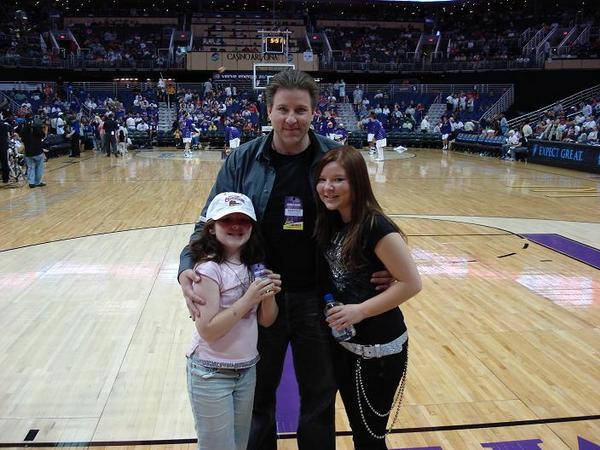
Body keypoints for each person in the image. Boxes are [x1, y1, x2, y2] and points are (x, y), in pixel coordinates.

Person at [179, 69, 395, 450]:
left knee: (319, 397)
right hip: (260, 299)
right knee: (258, 399)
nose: (291, 119)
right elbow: (207, 222)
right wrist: (185, 269)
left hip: (320, 299)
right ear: (268, 110)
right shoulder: (244, 160)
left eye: (300, 110)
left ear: (314, 112)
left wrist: (387, 269)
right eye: (282, 109)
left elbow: (365, 219)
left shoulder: (334, 159)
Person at [314, 146, 422, 449]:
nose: (328, 187)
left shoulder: (376, 226)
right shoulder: (335, 221)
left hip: (379, 352)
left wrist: (359, 311)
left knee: (370, 438)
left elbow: (412, 283)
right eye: (323, 179)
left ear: (358, 182)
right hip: (346, 346)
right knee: (360, 432)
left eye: (338, 180)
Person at [186, 191, 280, 450]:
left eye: (243, 220)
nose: (236, 225)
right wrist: (249, 299)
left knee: (239, 445)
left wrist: (268, 294)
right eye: (227, 220)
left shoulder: (254, 266)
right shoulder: (208, 270)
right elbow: (208, 330)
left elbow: (267, 320)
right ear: (212, 228)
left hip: (247, 370)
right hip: (210, 373)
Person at [19, 114, 48, 188]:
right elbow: (43, 136)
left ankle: (31, 183)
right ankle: (37, 182)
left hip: (28, 152)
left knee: (30, 167)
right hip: (38, 151)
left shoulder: (24, 129)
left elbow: (21, 137)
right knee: (39, 167)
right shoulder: (37, 129)